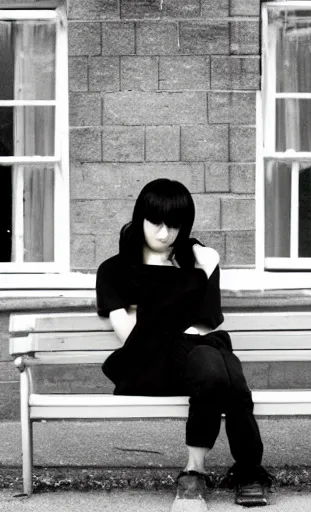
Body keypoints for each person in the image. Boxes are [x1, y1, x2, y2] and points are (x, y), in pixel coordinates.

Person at [95, 179, 272, 508]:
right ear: (141, 219)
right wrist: (186, 298)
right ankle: (249, 470)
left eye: (174, 226)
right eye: (156, 223)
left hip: (200, 362)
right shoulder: (115, 271)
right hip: (150, 364)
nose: (164, 234)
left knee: (217, 369)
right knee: (221, 366)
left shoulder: (195, 261)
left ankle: (195, 472)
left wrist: (206, 267)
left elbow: (206, 322)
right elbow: (132, 337)